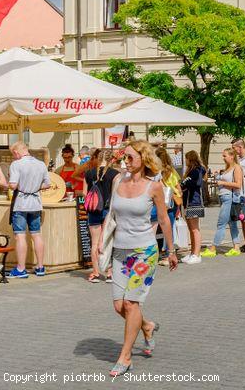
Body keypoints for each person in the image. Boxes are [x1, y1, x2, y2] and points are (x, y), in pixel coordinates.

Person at [95, 140, 176, 378]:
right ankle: (147, 326)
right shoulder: (117, 180)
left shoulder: (154, 186)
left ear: (144, 159)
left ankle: (126, 357)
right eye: (124, 157)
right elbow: (111, 215)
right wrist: (102, 240)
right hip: (120, 252)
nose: (125, 162)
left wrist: (170, 251)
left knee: (131, 304)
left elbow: (163, 220)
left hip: (144, 252)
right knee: (119, 306)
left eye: (130, 157)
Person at [6, 141, 51, 278]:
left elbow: (13, 185)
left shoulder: (16, 164)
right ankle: (40, 267)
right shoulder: (41, 164)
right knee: (36, 234)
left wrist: (10, 182)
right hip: (36, 203)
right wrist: (35, 187)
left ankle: (21, 269)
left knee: (20, 236)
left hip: (21, 203)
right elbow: (47, 184)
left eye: (14, 154)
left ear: (16, 152)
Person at [76, 149, 119, 282]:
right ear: (111, 159)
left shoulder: (88, 173)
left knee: (94, 243)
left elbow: (84, 193)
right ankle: (109, 272)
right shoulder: (115, 174)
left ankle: (95, 272)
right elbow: (116, 196)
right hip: (108, 211)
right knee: (108, 242)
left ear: (98, 159)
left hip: (93, 211)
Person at [200, 148, 243, 257]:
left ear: (232, 156)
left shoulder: (236, 168)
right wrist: (218, 177)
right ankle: (236, 247)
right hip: (224, 197)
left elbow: (238, 184)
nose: (223, 158)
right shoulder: (228, 168)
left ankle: (213, 248)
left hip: (229, 198)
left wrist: (222, 182)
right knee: (232, 223)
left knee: (221, 223)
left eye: (225, 156)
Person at [154, 146, 182, 261]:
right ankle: (168, 251)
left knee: (156, 227)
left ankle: (159, 251)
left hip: (158, 202)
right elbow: (179, 189)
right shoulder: (172, 171)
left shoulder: (155, 171)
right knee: (169, 226)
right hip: (171, 202)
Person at [179, 151, 206, 264]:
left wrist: (184, 184)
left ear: (190, 159)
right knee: (191, 229)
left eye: (186, 159)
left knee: (195, 229)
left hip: (194, 202)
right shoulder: (192, 171)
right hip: (188, 202)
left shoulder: (196, 171)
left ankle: (197, 254)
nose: (185, 161)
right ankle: (192, 253)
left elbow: (195, 183)